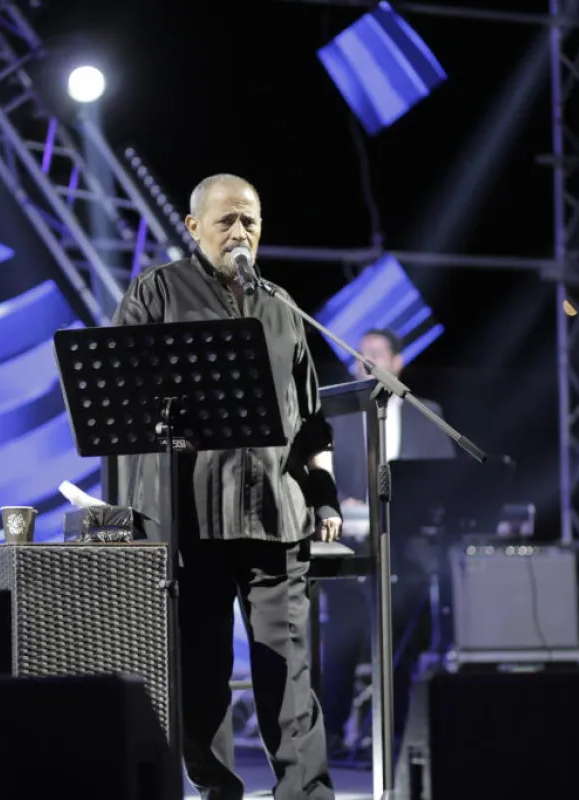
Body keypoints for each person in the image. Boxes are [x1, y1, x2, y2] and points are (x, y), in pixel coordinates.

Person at [112, 174, 341, 800]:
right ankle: (217, 790)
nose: (240, 232)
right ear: (193, 227)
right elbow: (119, 391)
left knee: (288, 668)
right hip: (189, 516)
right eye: (226, 221)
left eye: (250, 222)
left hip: (275, 513)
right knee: (201, 672)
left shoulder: (283, 306)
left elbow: (311, 421)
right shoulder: (158, 291)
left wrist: (324, 494)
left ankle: (306, 794)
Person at [320, 328, 455, 759]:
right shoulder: (336, 416)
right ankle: (333, 732)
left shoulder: (426, 413)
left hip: (406, 546)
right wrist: (337, 500)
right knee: (342, 636)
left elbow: (441, 482)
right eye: (361, 355)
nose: (367, 362)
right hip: (351, 543)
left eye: (377, 354)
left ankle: (392, 732)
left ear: (397, 362)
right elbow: (317, 475)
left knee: (403, 639)